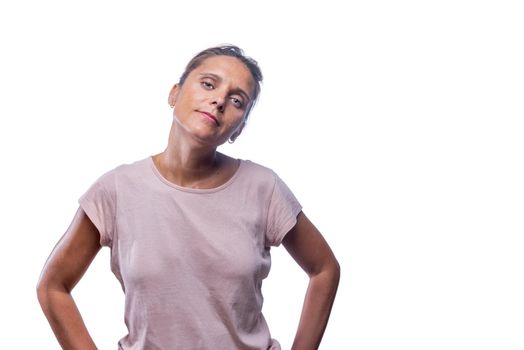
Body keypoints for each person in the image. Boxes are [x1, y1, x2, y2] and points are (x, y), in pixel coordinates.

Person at [36, 45, 340, 350]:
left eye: (237, 101)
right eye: (208, 84)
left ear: (239, 128)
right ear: (174, 94)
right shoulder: (116, 189)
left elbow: (324, 268)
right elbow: (53, 286)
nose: (219, 100)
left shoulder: (264, 187)